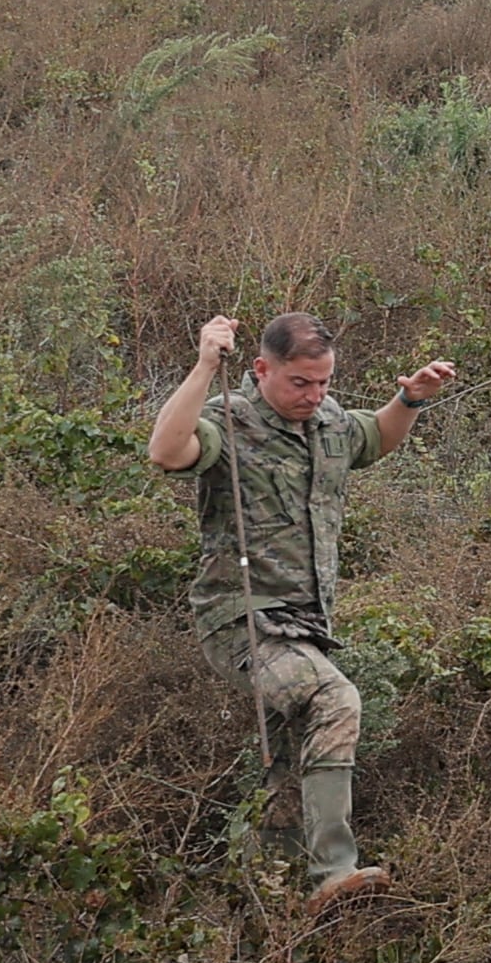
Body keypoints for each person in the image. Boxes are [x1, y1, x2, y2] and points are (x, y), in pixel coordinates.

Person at [147, 309, 460, 912]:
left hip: (307, 627)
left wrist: (409, 399)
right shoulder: (228, 420)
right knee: (334, 700)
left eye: (323, 383)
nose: (313, 396)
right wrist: (205, 364)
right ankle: (334, 871)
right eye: (300, 383)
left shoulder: (327, 421)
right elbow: (166, 451)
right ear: (261, 369)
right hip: (241, 620)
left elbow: (373, 438)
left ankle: (269, 906)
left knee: (290, 764)